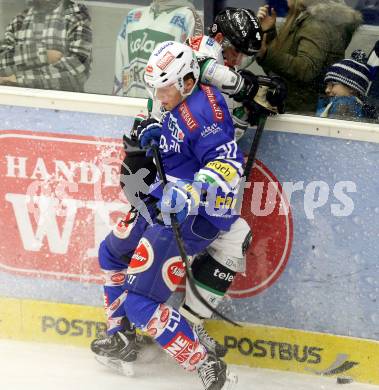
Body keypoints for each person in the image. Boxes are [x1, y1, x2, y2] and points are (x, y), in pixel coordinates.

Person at [90, 8, 287, 374]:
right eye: (234, 50)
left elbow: (221, 143)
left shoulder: (204, 98)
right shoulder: (198, 56)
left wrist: (252, 104)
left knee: (232, 239)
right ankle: (125, 333)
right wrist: (250, 89)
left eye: (242, 55)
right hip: (171, 191)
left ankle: (188, 328)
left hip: (194, 197)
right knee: (115, 254)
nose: (236, 59)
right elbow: (207, 67)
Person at [94, 40, 241, 390]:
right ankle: (121, 338)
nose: (158, 96)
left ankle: (206, 364)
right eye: (155, 88)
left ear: (187, 82)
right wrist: (152, 140)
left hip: (192, 214)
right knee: (111, 253)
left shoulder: (206, 111)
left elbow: (228, 165)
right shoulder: (176, 97)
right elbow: (172, 141)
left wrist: (192, 190)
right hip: (162, 199)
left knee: (142, 304)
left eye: (164, 88)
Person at [256, 0, 362, 114]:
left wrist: (266, 53)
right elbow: (281, 70)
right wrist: (268, 33)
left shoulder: (318, 23)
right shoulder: (307, 18)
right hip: (296, 110)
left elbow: (306, 69)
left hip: (302, 114)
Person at [113, 0, 203, 97]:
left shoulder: (188, 17)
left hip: (165, 107)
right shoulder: (132, 17)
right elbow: (120, 66)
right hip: (129, 105)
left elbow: (192, 70)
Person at [0, 0, 92, 91]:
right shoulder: (19, 20)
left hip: (60, 103)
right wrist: (43, 55)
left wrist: (17, 79)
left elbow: (78, 69)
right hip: (16, 101)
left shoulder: (75, 14)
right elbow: (2, 63)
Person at [316, 51, 372, 119]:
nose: (326, 90)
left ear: (352, 88)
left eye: (333, 85)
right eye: (327, 86)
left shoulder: (343, 107)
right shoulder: (329, 105)